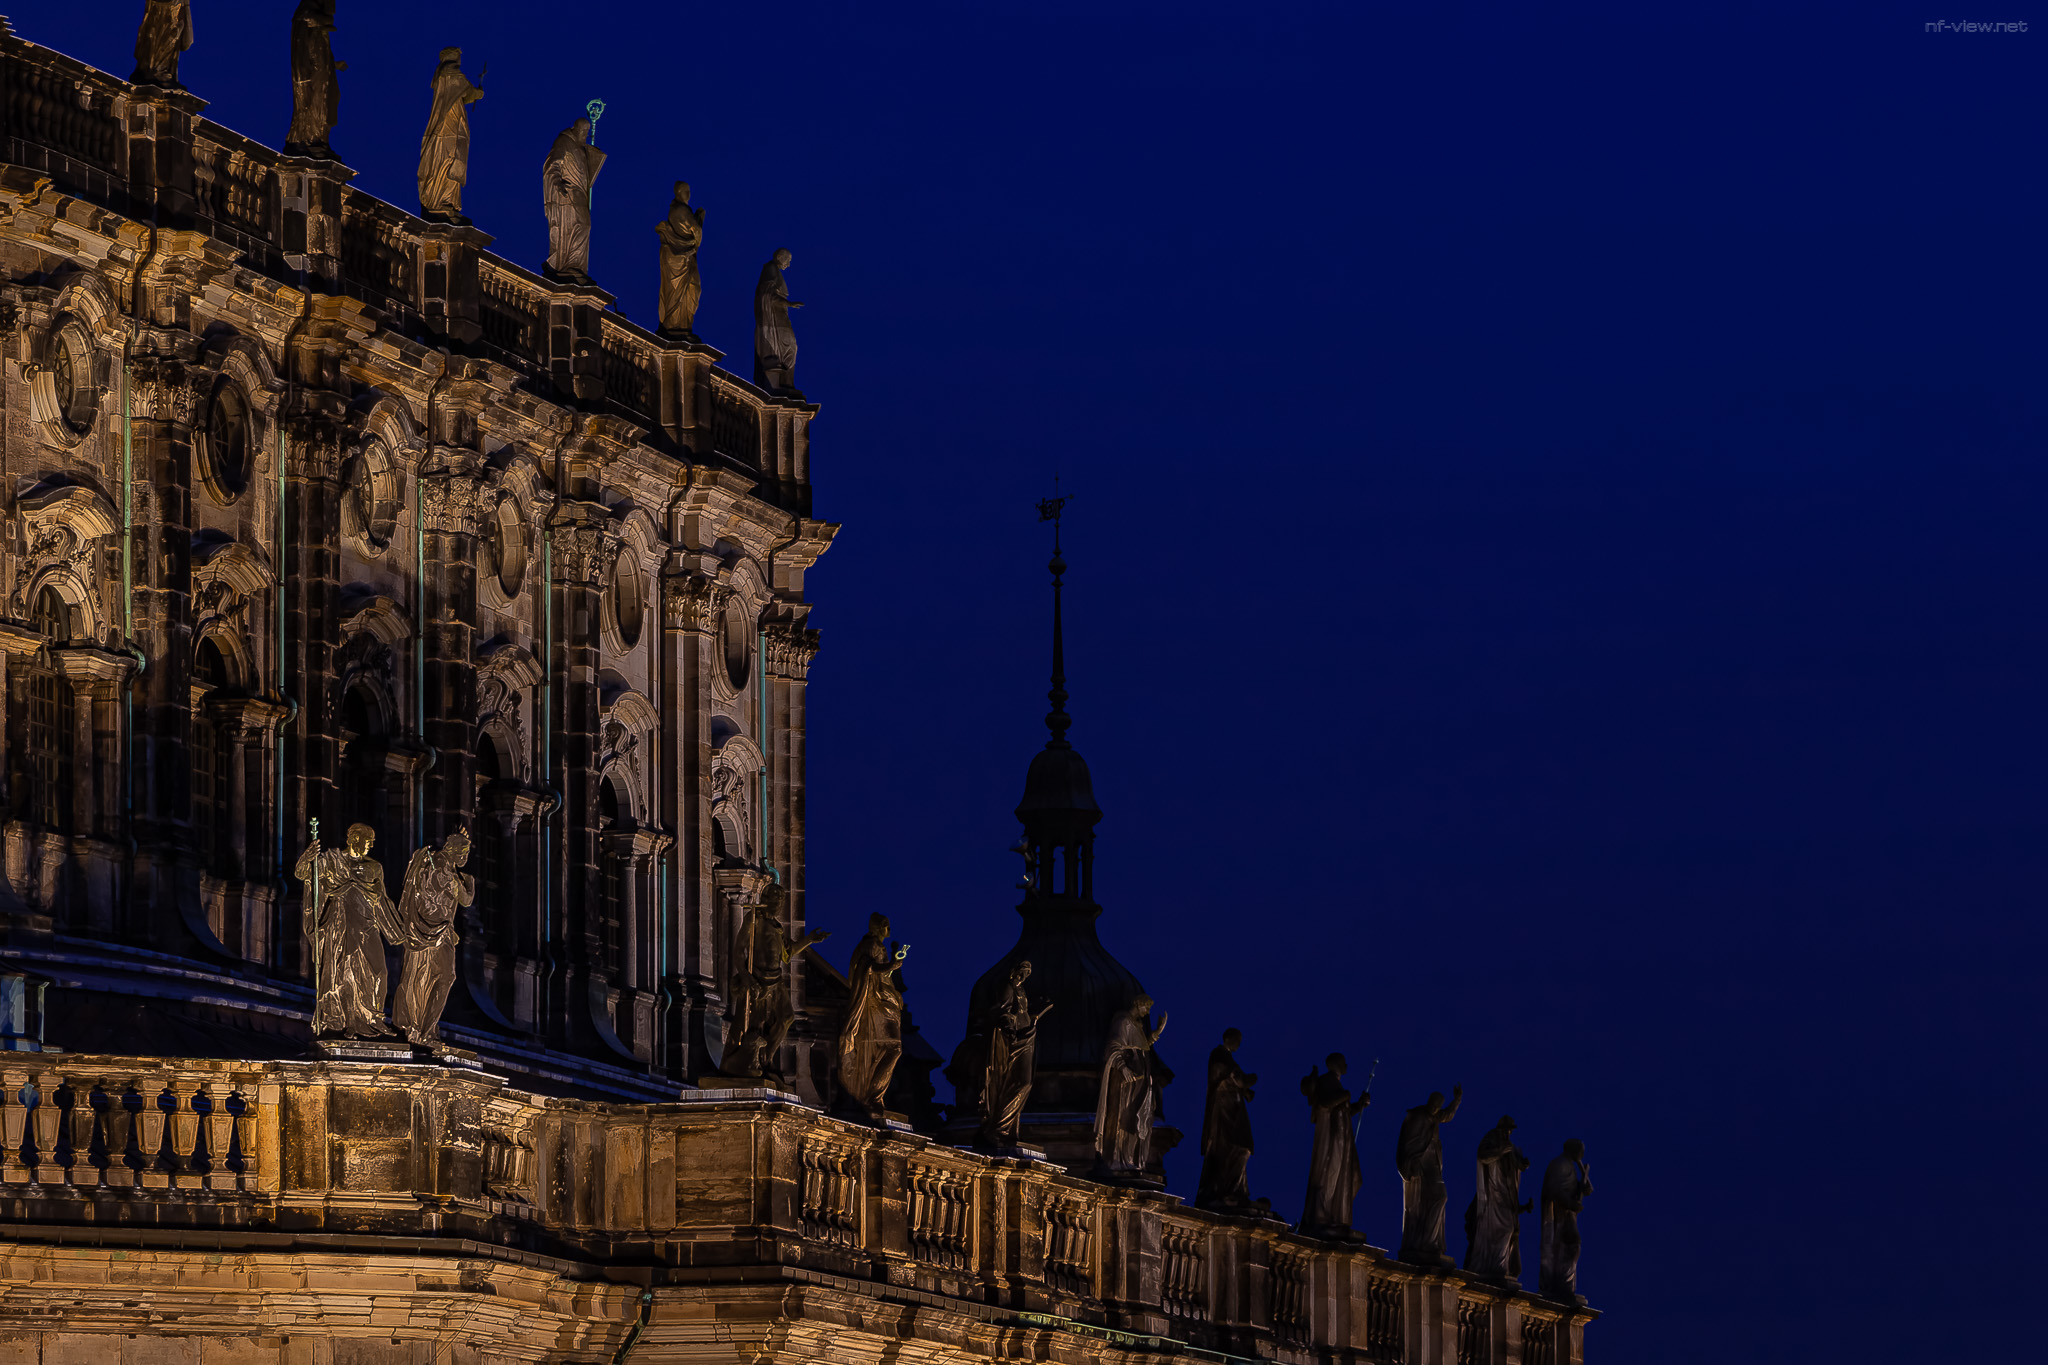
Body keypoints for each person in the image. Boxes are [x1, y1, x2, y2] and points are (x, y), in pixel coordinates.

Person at [294, 822, 396, 1038]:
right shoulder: (331, 862)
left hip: (367, 925)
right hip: (340, 925)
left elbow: (383, 901)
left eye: (371, 843)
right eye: (366, 842)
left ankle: (374, 1018)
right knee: (344, 974)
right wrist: (307, 857)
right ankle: (349, 1021)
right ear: (353, 839)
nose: (369, 846)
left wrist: (402, 933)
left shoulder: (374, 867)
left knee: (380, 972)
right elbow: (303, 874)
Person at [385, 828, 473, 1049]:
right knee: (425, 977)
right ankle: (420, 1027)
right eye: (463, 852)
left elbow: (459, 899)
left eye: (467, 853)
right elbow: (462, 898)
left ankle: (424, 1028)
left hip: (435, 931)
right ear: (453, 850)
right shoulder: (440, 866)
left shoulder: (442, 866)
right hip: (428, 931)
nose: (465, 858)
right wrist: (466, 882)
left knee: (433, 977)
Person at [835, 913, 907, 1121]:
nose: (889, 930)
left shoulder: (877, 946)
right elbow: (869, 968)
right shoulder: (870, 945)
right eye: (886, 926)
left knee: (891, 1049)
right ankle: (872, 1096)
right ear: (878, 928)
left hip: (882, 1002)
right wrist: (891, 965)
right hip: (873, 1005)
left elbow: (878, 973)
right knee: (893, 1049)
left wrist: (892, 973)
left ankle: (874, 1096)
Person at [978, 961, 1052, 1149]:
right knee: (1019, 1082)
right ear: (1013, 972)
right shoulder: (1007, 987)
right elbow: (1001, 1011)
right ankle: (1000, 1128)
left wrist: (1034, 1016)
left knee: (1024, 1082)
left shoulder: (1020, 990)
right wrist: (1010, 1029)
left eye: (1027, 973)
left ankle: (1008, 1129)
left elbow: (1020, 1013)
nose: (1024, 976)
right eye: (1022, 972)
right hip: (1013, 1039)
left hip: (1026, 1036)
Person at [1094, 993, 1168, 1177]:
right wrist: (1123, 1068)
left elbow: (1140, 1046)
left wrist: (1156, 1034)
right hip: (1127, 1083)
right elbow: (1113, 1046)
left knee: (1137, 1120)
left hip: (1139, 1082)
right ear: (1138, 1004)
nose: (1147, 1012)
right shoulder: (1123, 1021)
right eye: (1146, 1008)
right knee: (1124, 1118)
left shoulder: (1136, 1025)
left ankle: (1132, 1160)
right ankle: (1119, 1159)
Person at [1298, 1053, 1370, 1238]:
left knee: (1352, 1177)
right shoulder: (1326, 1081)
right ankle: (1323, 1217)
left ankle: (1336, 1216)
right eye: (1344, 1062)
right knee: (1329, 1175)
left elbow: (1343, 1112)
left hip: (1342, 1138)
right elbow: (1323, 1105)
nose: (1347, 1064)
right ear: (1336, 1064)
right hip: (1331, 1140)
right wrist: (1344, 1096)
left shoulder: (1336, 1083)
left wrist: (1358, 1105)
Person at [1396, 1084, 1463, 1266]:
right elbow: (1406, 1143)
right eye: (1433, 1105)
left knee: (1440, 1197)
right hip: (1420, 1162)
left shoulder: (1435, 1117)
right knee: (1430, 1199)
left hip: (1433, 1163)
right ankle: (1425, 1242)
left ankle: (1430, 1241)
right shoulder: (1417, 1116)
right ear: (1429, 1102)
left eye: (1438, 1107)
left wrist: (1456, 1100)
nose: (1435, 1109)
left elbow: (1447, 1115)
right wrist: (1410, 1162)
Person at [1197, 1028, 1257, 1211]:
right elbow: (1236, 1078)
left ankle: (1235, 1189)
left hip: (1234, 1109)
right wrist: (1249, 1081)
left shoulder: (1227, 1057)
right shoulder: (1219, 1055)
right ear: (1227, 1038)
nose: (1239, 1044)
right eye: (1237, 1039)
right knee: (1236, 1147)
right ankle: (1227, 1189)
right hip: (1224, 1111)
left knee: (1241, 1148)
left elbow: (1238, 1082)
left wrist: (1244, 1089)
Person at [419, 49, 484, 218]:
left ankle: (447, 200)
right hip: (449, 123)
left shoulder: (441, 75)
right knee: (448, 158)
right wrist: (478, 93)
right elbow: (467, 90)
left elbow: (462, 94)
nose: (460, 59)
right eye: (459, 55)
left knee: (450, 159)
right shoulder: (450, 72)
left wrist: (473, 94)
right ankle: (442, 200)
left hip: (451, 118)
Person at [542, 117, 607, 280]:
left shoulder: (583, 147)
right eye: (582, 132)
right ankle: (567, 265)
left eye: (587, 132)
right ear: (575, 129)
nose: (585, 135)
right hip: (567, 193)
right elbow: (551, 165)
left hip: (580, 194)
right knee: (577, 225)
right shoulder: (563, 142)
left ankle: (576, 265)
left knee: (584, 226)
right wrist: (557, 184)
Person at [1540, 1139, 1593, 1304]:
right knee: (1569, 1245)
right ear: (1574, 1150)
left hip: (1568, 1215)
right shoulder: (1560, 1164)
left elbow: (1569, 1187)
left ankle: (1565, 1285)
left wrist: (1581, 1187)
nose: (1582, 1155)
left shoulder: (1569, 1165)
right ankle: (1561, 1285)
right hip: (1559, 1215)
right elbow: (1553, 1188)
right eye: (1581, 1150)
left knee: (1569, 1247)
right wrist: (1571, 1203)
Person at [656, 183, 707, 336]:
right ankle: (676, 326)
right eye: (686, 192)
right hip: (679, 258)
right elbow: (696, 230)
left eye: (689, 192)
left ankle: (680, 324)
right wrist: (696, 242)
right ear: (679, 193)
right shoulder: (681, 210)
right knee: (682, 290)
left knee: (688, 290)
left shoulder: (678, 210)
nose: (688, 194)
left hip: (683, 256)